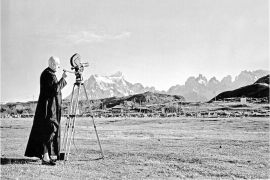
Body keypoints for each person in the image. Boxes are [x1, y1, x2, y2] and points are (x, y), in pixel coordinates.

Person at [25, 56, 67, 165]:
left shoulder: (48, 73)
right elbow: (54, 90)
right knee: (48, 130)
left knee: (49, 130)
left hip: (49, 108)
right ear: (53, 64)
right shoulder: (48, 75)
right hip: (48, 110)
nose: (59, 66)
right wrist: (63, 79)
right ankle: (45, 157)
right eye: (58, 64)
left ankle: (47, 155)